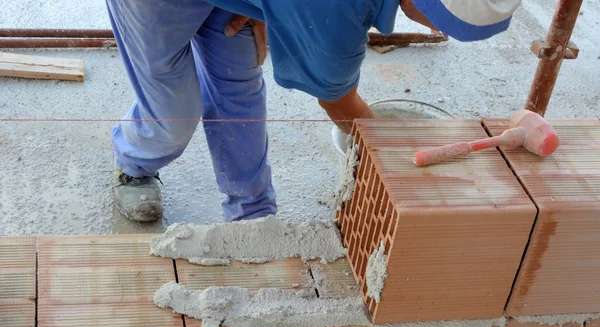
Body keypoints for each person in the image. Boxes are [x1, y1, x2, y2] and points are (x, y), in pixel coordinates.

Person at [107, 0, 522, 222]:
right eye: (442, 22)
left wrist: (267, 5)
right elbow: (342, 105)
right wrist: (396, 164)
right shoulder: (335, 12)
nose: (437, 31)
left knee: (240, 88)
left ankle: (251, 210)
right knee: (173, 109)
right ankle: (136, 162)